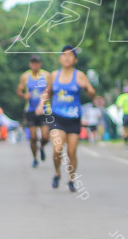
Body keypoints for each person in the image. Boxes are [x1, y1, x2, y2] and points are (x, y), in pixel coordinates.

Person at [39, 45, 96, 192]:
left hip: (74, 118)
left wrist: (87, 89)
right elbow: (47, 92)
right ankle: (57, 173)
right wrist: (41, 105)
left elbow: (92, 93)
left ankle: (71, 178)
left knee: (71, 151)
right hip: (57, 117)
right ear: (60, 58)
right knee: (57, 149)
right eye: (64, 55)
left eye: (70, 55)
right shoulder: (53, 75)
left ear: (75, 60)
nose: (67, 58)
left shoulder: (80, 76)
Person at [16, 54, 51, 167]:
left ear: (40, 64)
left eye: (37, 63)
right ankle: (35, 158)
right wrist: (24, 95)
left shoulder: (46, 75)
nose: (35, 65)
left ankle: (41, 146)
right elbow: (19, 90)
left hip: (45, 109)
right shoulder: (25, 76)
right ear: (30, 64)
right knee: (33, 137)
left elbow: (51, 90)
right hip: (30, 109)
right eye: (33, 63)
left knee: (45, 136)